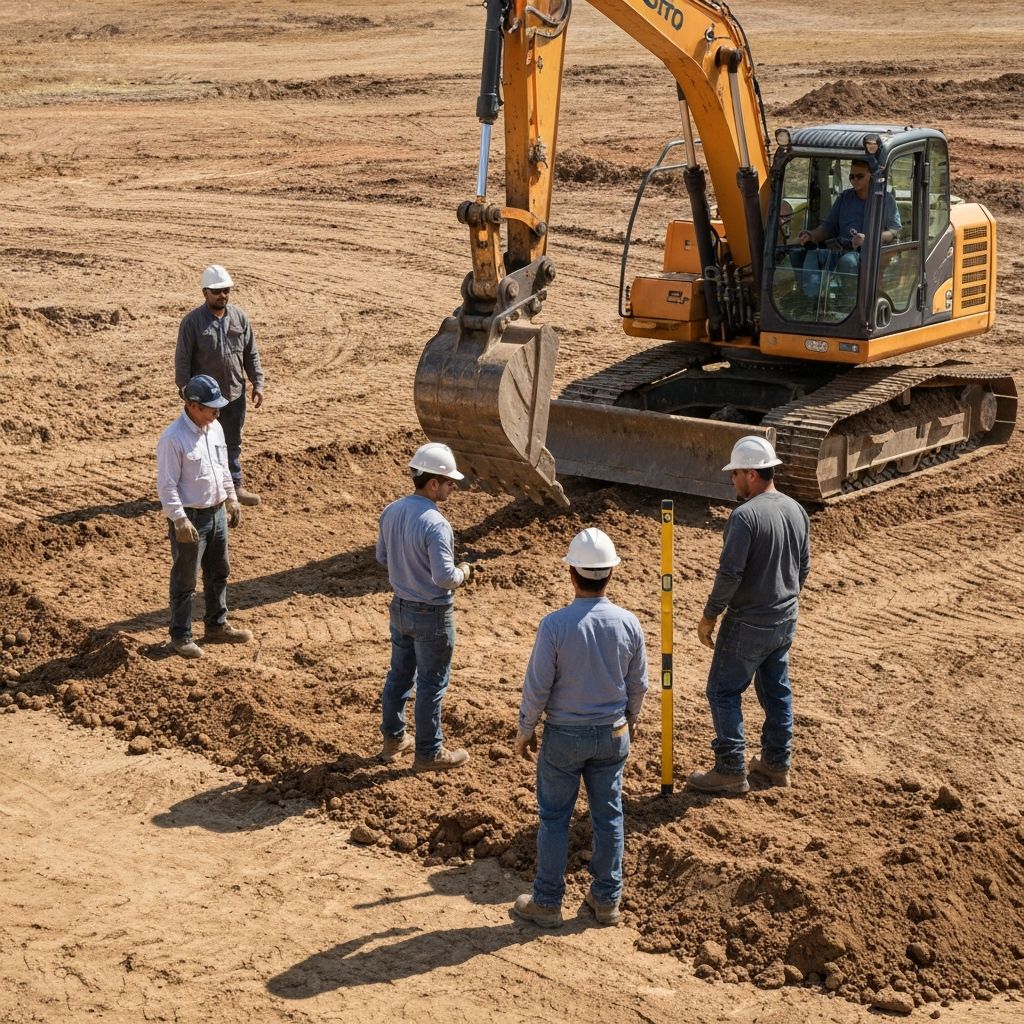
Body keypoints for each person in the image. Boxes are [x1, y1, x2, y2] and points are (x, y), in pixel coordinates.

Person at [512, 528, 648, 929]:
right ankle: (606, 901)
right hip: (612, 734)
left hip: (564, 737)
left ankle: (548, 902)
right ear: (611, 574)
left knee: (554, 817)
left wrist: (526, 728)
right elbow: (638, 686)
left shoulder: (554, 625)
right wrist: (630, 724)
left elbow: (538, 684)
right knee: (610, 816)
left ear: (571, 573)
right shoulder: (629, 623)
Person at [686, 436, 809, 796]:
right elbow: (803, 568)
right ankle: (776, 763)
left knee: (722, 691)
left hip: (749, 621)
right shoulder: (795, 509)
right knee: (776, 690)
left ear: (752, 474)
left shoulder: (745, 517)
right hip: (784, 618)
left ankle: (730, 770)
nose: (733, 480)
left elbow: (730, 575)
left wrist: (710, 615)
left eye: (736, 473)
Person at [376, 442, 476, 772]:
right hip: (431, 614)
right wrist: (465, 571)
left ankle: (394, 739)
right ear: (433, 483)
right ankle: (429, 753)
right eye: (449, 482)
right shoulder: (436, 523)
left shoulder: (391, 510)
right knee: (431, 686)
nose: (453, 487)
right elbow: (445, 577)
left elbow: (382, 557)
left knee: (399, 677)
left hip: (400, 607)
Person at [156, 374, 252, 660]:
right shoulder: (173, 439)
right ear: (193, 406)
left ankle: (216, 625)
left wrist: (232, 500)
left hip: (216, 512)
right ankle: (181, 635)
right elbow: (167, 485)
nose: (217, 413)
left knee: (219, 571)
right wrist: (179, 519)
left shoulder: (215, 429)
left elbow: (222, 469)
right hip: (191, 518)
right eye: (211, 408)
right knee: (185, 581)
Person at [175, 265, 265, 507]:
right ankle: (205, 492)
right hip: (204, 400)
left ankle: (234, 488)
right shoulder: (192, 323)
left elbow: (250, 353)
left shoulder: (239, 318)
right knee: (202, 445)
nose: (222, 295)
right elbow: (182, 360)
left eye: (225, 290)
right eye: (216, 291)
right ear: (205, 292)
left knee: (232, 443)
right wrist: (186, 392)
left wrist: (258, 382)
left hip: (235, 394)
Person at [797, 159, 901, 299]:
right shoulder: (844, 198)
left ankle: (850, 304)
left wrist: (869, 238)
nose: (854, 180)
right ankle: (811, 300)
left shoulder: (885, 200)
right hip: (840, 249)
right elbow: (828, 227)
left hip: (869, 253)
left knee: (848, 261)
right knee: (810, 254)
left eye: (860, 176)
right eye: (852, 176)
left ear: (872, 176)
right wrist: (811, 236)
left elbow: (894, 231)